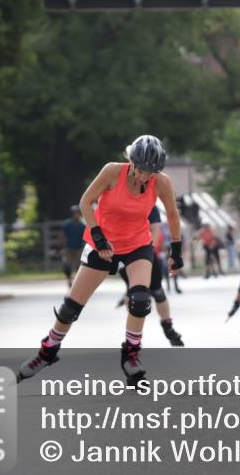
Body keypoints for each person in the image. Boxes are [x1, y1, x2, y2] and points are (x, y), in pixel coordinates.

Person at [17, 135, 184, 383]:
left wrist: (176, 251)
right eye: (142, 170)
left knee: (140, 299)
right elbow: (86, 202)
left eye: (152, 172)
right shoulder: (112, 172)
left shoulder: (161, 183)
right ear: (132, 162)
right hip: (103, 243)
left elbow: (172, 214)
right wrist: (98, 235)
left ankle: (131, 356)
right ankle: (48, 350)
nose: (145, 177)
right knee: (70, 308)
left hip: (137, 244)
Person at [114, 204, 184, 346]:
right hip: (122, 254)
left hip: (145, 253)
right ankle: (132, 331)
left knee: (157, 291)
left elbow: (155, 230)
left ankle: (167, 326)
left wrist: (147, 252)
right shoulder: (118, 202)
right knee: (133, 292)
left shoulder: (149, 205)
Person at [60, 205, 86, 289]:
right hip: (69, 247)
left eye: (77, 213)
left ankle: (77, 282)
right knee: (67, 265)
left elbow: (85, 237)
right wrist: (59, 246)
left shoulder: (82, 226)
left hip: (79, 248)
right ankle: (69, 279)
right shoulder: (67, 224)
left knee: (79, 266)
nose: (76, 215)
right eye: (75, 213)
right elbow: (62, 235)